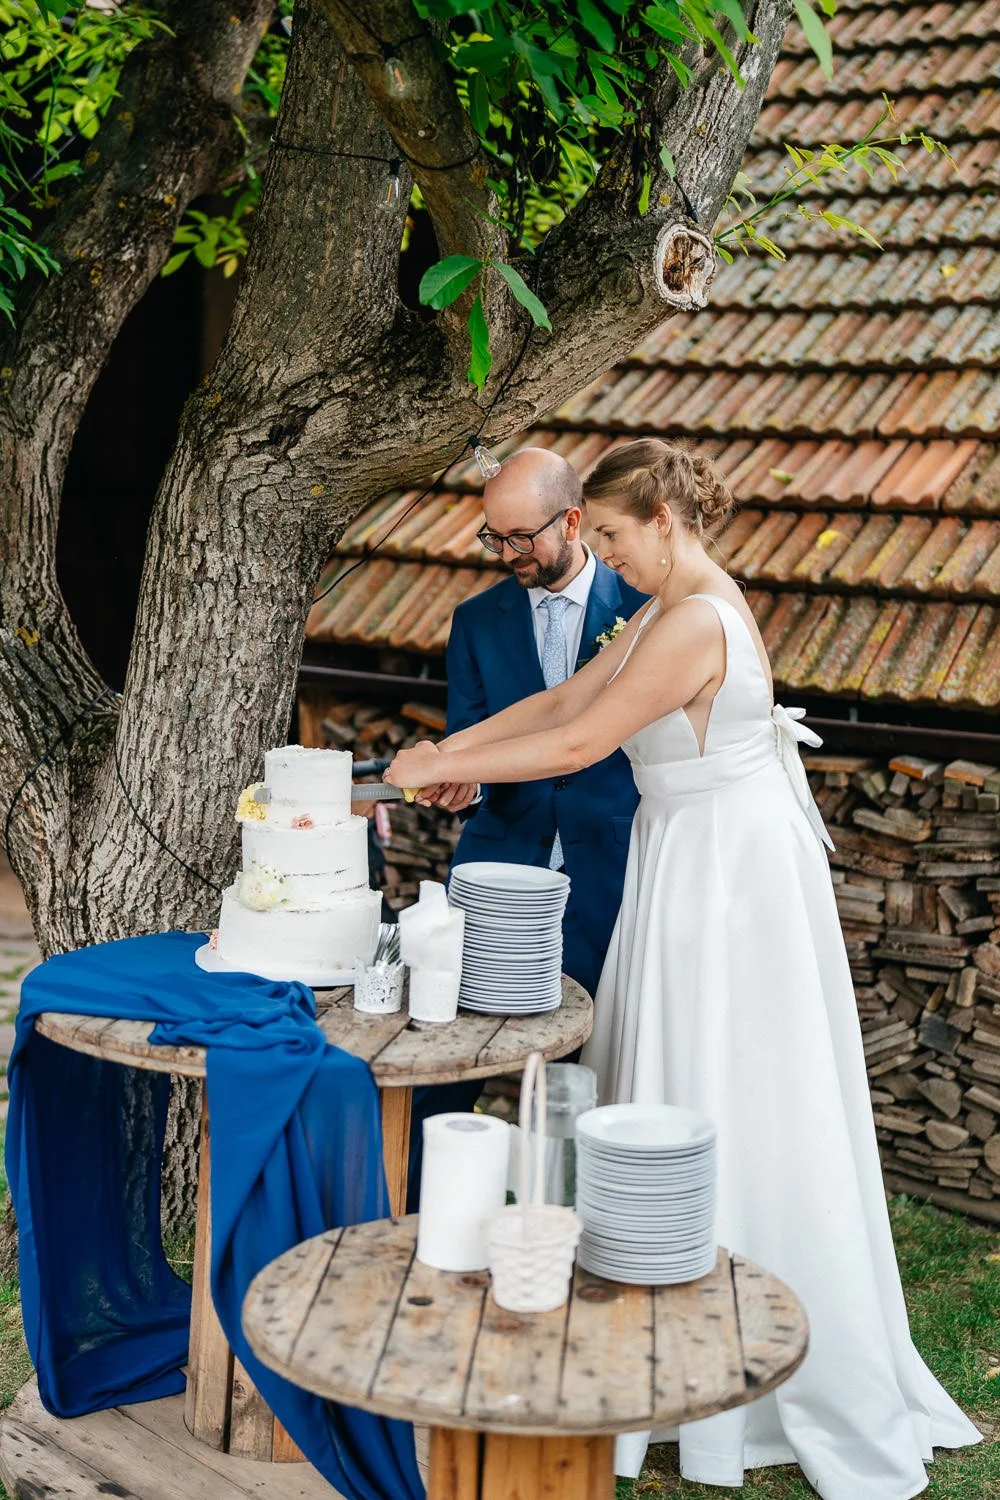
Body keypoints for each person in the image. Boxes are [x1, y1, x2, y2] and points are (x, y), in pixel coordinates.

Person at [385, 439, 982, 1499]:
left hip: (724, 881)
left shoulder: (696, 616)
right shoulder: (664, 608)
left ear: (662, 515)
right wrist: (451, 749)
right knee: (665, 1080)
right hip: (686, 862)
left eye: (611, 534)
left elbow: (580, 748)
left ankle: (756, 1355)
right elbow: (563, 705)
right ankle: (661, 1322)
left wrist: (450, 762)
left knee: (732, 1088)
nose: (604, 552)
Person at [422, 446, 646, 1000]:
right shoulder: (474, 622)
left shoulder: (644, 608)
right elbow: (469, 734)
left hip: (611, 863)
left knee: (590, 1055)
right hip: (499, 866)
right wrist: (462, 784)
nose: (506, 554)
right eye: (494, 537)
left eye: (520, 536)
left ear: (572, 522)